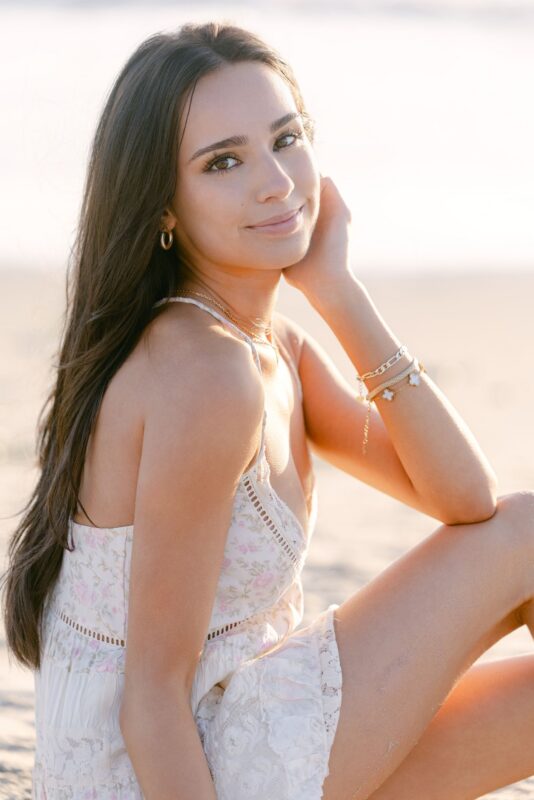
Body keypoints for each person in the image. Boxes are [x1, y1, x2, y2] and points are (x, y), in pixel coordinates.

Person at [1, 19, 534, 800]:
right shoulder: (207, 377)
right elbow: (152, 696)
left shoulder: (268, 346)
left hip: (255, 726)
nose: (277, 182)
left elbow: (464, 499)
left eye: (286, 139)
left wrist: (338, 291)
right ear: (164, 209)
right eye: (223, 162)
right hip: (168, 769)